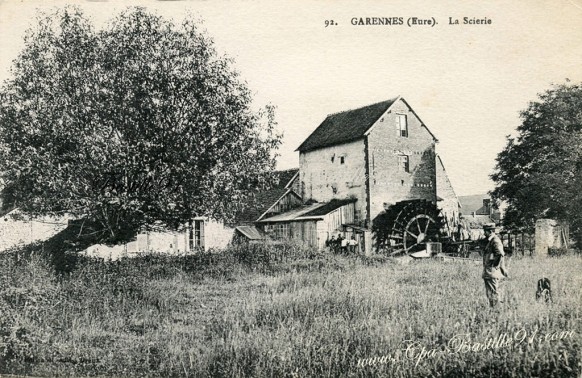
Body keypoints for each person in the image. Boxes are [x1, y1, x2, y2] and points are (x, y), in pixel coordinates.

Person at [482, 223, 508, 307]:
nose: (484, 233)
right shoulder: (491, 241)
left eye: (485, 231)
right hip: (489, 272)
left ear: (489, 231)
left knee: (494, 293)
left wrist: (494, 265)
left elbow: (500, 254)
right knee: (491, 293)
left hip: (492, 272)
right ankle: (494, 309)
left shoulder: (495, 240)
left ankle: (496, 311)